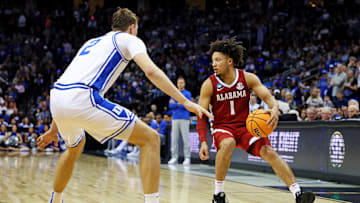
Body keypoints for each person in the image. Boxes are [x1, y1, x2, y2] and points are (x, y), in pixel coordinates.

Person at [36, 8, 211, 203]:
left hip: (58, 98)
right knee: (150, 139)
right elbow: (151, 72)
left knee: (74, 148)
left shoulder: (92, 42)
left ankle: (55, 199)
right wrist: (185, 101)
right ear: (132, 27)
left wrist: (54, 129)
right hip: (83, 97)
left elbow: (67, 86)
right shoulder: (129, 39)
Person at [196, 38, 315, 203]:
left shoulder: (247, 78)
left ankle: (298, 193)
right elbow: (201, 115)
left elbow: (267, 97)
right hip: (223, 127)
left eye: (218, 60)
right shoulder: (209, 84)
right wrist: (203, 141)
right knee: (228, 143)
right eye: (212, 61)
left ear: (230, 61)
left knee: (269, 152)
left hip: (246, 126)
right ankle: (218, 194)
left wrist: (274, 108)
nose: (213, 64)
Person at [168, 76, 192, 166]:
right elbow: (170, 105)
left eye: (182, 83)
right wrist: (180, 103)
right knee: (174, 139)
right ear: (177, 84)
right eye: (179, 83)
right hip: (175, 118)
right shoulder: (174, 93)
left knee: (186, 139)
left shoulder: (188, 94)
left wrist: (177, 103)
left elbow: (187, 105)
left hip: (184, 118)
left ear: (184, 84)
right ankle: (174, 157)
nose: (180, 84)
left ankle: (187, 158)